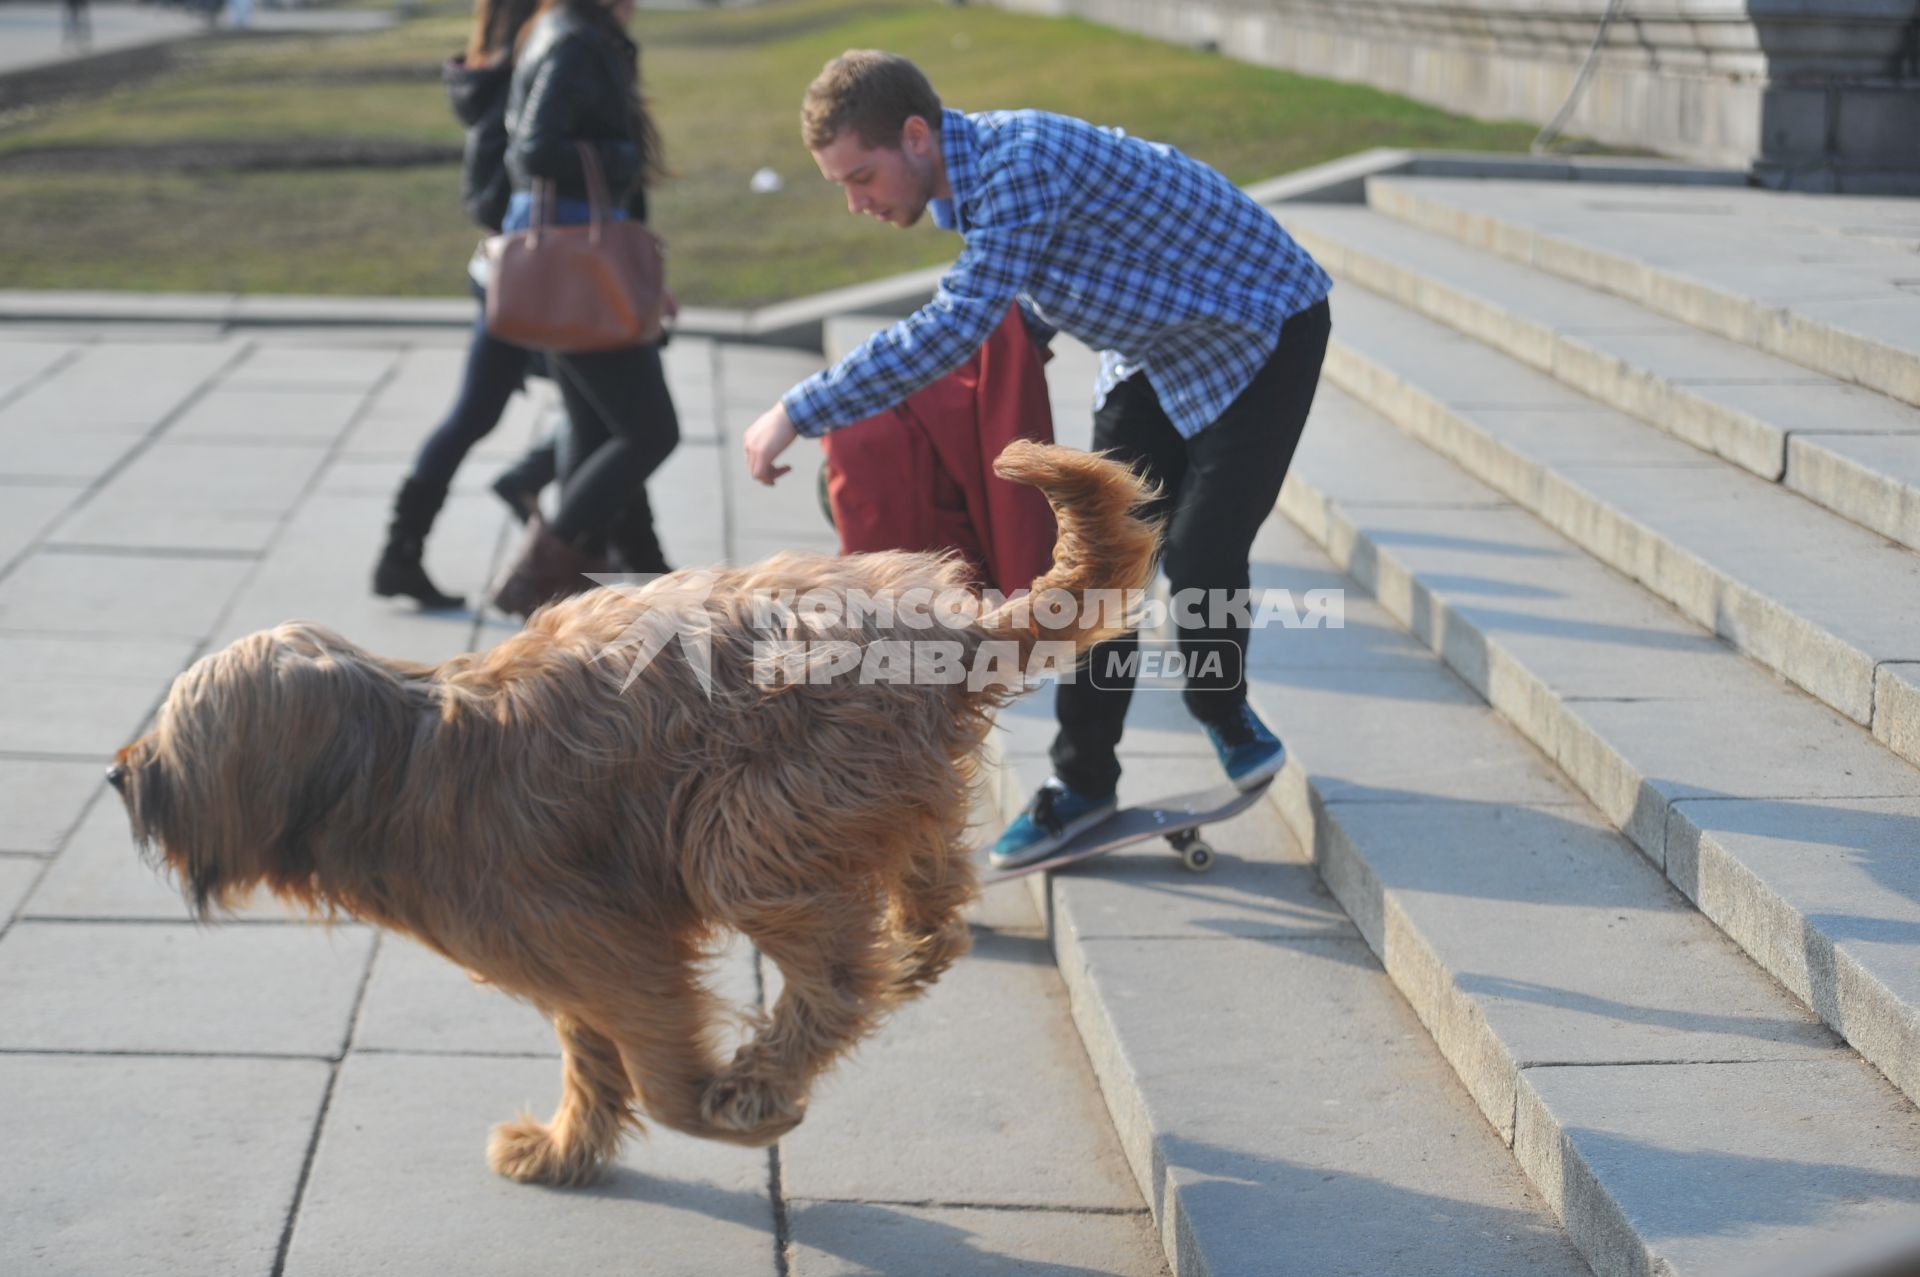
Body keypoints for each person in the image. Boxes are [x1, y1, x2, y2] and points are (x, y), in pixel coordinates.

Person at [740, 51, 1332, 870]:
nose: (856, 202)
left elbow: (953, 327)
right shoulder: (968, 181)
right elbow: (1047, 279)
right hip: (1156, 351)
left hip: (1262, 330)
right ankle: (1084, 783)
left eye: (863, 176)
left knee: (1199, 556)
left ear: (917, 136)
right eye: (842, 184)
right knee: (1097, 569)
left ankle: (1223, 709)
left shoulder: (1016, 166)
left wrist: (798, 410)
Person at [488, 0, 679, 616]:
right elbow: (534, 151)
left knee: (592, 426)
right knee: (651, 431)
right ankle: (537, 576)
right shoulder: (575, 40)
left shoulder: (565, 29)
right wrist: (619, 161)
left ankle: (589, 584)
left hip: (579, 264)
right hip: (579, 267)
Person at [372, 0, 559, 610]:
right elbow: (486, 196)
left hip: (516, 272)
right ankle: (548, 513)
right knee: (614, 414)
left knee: (480, 415)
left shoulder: (498, 70)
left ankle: (402, 552)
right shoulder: (523, 74)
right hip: (535, 272)